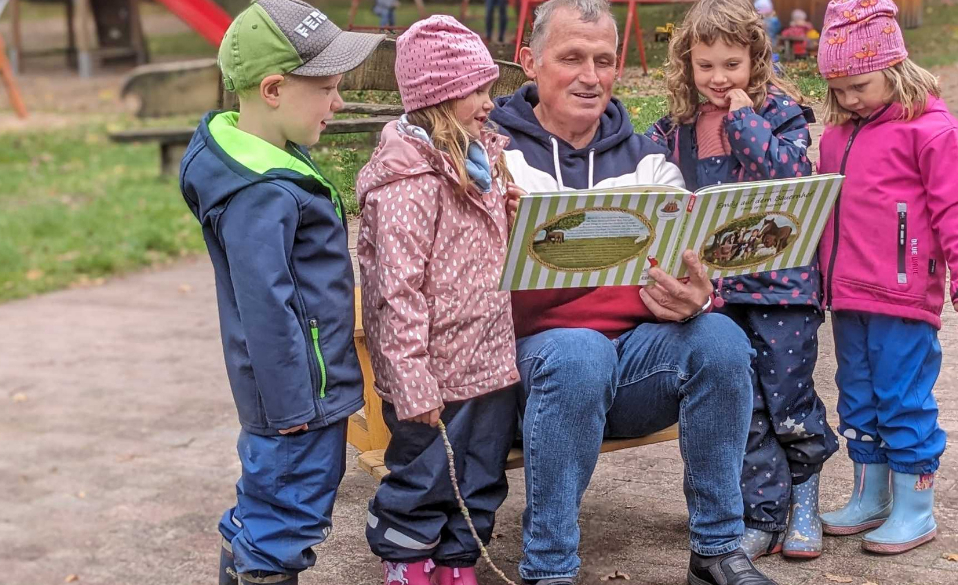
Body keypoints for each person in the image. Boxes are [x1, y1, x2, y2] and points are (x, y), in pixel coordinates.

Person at [490, 0, 776, 583]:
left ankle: (718, 549)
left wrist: (697, 297)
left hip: (634, 367)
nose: (590, 77)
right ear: (530, 62)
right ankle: (549, 567)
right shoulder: (494, 155)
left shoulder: (649, 160)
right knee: (579, 351)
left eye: (603, 60)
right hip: (525, 379)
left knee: (720, 337)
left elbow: (681, 265)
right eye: (571, 58)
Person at [177, 1, 383, 583]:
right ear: (273, 89)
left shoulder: (270, 160)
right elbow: (264, 308)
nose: (338, 104)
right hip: (299, 399)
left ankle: (245, 560)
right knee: (289, 520)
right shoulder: (260, 194)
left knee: (266, 507)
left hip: (299, 390)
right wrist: (294, 406)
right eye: (327, 90)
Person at [645, 0, 837, 560]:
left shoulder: (781, 113)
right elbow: (649, 177)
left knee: (789, 399)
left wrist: (743, 118)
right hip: (717, 293)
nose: (718, 78)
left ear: (755, 59)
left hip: (783, 288)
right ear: (687, 64)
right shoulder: (677, 127)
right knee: (746, 408)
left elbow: (788, 174)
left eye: (731, 64)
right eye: (705, 65)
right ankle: (763, 514)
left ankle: (805, 501)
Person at [357, 16, 526, 585]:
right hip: (432, 370)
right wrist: (412, 380)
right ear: (439, 99)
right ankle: (405, 560)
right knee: (423, 474)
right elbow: (394, 291)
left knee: (480, 473)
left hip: (488, 360)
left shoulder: (482, 161)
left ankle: (457, 561)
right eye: (477, 91)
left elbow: (485, 253)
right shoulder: (407, 184)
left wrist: (510, 215)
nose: (489, 103)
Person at [815, 0, 958, 554]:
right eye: (838, 89)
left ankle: (916, 508)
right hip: (848, 294)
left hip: (902, 293)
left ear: (892, 67)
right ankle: (871, 495)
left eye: (859, 86)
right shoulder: (837, 134)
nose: (848, 99)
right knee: (857, 395)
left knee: (902, 396)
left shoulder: (931, 130)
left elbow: (955, 208)